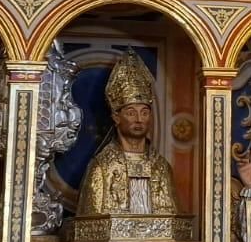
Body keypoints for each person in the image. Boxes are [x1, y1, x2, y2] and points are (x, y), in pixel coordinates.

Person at [77, 51, 180, 218]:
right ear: (117, 117)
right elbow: (90, 225)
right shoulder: (101, 168)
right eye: (131, 113)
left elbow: (174, 222)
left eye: (144, 112)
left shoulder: (161, 167)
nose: (139, 119)